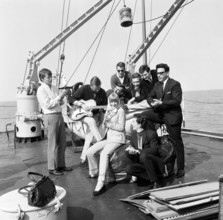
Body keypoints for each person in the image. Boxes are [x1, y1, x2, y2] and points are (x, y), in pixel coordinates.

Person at [141, 63, 185, 178]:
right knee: (144, 115)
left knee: (177, 142)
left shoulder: (175, 84)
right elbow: (149, 97)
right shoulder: (157, 85)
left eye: (161, 73)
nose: (159, 75)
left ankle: (180, 168)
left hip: (172, 116)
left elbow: (177, 101)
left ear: (167, 73)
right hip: (161, 114)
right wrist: (153, 103)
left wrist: (162, 102)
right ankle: (153, 139)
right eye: (158, 73)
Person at [86, 93, 126, 196]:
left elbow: (121, 127)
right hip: (109, 138)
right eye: (111, 101)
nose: (113, 103)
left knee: (104, 154)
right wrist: (105, 121)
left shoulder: (120, 111)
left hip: (117, 138)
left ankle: (101, 182)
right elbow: (104, 128)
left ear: (118, 101)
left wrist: (110, 124)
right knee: (90, 151)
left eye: (115, 101)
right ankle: (94, 172)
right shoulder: (108, 110)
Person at [37, 68, 73, 176]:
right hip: (50, 116)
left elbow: (59, 102)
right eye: (48, 77)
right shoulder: (41, 90)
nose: (50, 79)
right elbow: (48, 104)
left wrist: (63, 98)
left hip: (59, 115)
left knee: (62, 142)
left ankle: (61, 165)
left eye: (51, 76)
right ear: (42, 78)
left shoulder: (54, 88)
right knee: (52, 143)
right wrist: (60, 96)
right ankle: (52, 168)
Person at [70, 76, 108, 165]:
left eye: (99, 88)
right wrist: (80, 104)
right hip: (82, 115)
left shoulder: (102, 92)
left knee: (89, 136)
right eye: (96, 88)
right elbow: (71, 99)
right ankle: (101, 142)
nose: (98, 90)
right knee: (91, 122)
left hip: (94, 114)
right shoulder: (84, 89)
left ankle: (83, 158)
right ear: (91, 85)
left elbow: (104, 106)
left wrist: (104, 112)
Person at [125, 116, 166, 188]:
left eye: (133, 122)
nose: (132, 124)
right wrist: (130, 151)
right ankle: (152, 177)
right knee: (128, 169)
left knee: (144, 155)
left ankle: (155, 181)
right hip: (142, 162)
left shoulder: (151, 134)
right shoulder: (134, 134)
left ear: (139, 124)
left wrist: (139, 151)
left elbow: (154, 150)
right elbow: (131, 146)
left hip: (153, 161)